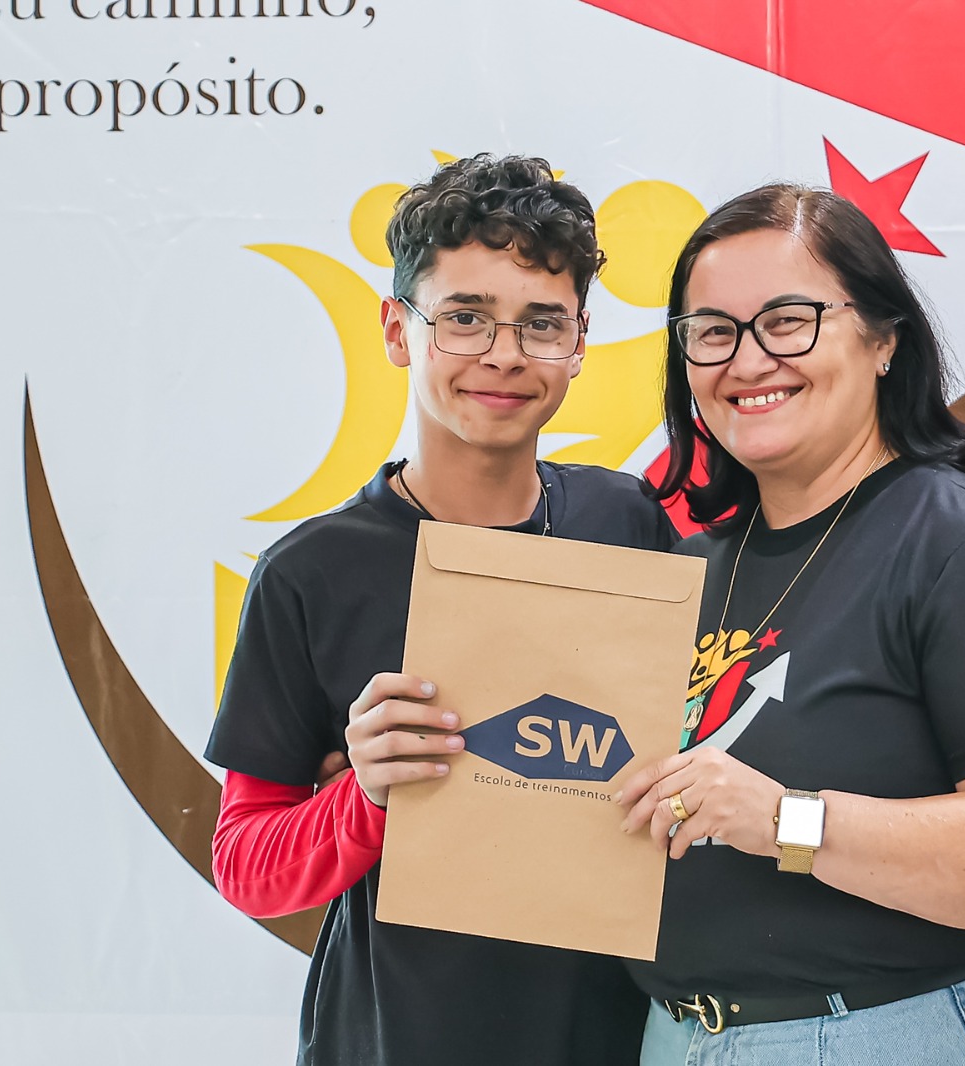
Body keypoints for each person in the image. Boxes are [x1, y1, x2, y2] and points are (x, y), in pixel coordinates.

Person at [616, 184, 965, 1065]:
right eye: (713, 332)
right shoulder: (691, 571)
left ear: (885, 339)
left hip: (900, 1035)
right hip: (684, 1038)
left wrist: (787, 820)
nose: (748, 360)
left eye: (787, 321)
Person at [204, 154, 677, 1066]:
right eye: (465, 318)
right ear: (397, 329)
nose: (505, 354)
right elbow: (247, 866)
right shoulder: (312, 573)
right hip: (395, 1036)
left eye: (542, 323)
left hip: (615, 1033)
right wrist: (367, 793)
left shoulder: (626, 520)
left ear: (580, 342)